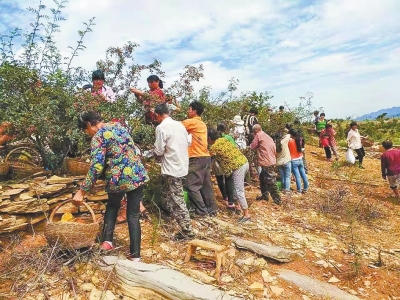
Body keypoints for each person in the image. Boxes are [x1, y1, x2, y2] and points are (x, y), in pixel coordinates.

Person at [72, 111, 149, 261]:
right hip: (137, 174)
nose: (87, 133)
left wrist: (82, 191)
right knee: (133, 215)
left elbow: (96, 167)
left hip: (118, 179)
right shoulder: (118, 126)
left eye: (85, 130)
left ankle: (107, 242)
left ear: (89, 124)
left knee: (112, 207)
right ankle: (136, 257)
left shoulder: (98, 136)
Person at [153, 104, 195, 240]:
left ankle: (187, 230)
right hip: (181, 164)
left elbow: (159, 149)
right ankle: (171, 218)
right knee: (167, 194)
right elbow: (188, 142)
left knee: (177, 199)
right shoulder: (180, 125)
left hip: (172, 168)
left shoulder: (161, 128)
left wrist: (155, 155)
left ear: (158, 115)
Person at [181, 101, 217, 217]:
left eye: (189, 109)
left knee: (191, 185)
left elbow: (175, 127)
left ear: (194, 111)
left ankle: (201, 212)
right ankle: (212, 210)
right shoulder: (201, 124)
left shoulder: (193, 122)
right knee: (206, 186)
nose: (187, 111)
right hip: (205, 157)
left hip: (197, 157)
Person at [208, 128, 251, 223]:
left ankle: (246, 215)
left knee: (239, 191)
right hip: (244, 162)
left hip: (237, 167)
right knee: (236, 188)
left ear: (210, 138)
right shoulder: (224, 139)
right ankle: (238, 207)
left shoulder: (214, 147)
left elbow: (207, 156)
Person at [250, 124, 281, 205]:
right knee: (262, 179)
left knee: (270, 181)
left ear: (256, 130)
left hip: (266, 162)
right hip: (271, 160)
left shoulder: (258, 135)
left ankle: (277, 200)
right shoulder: (267, 136)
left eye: (253, 132)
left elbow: (252, 146)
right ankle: (265, 196)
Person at [214, 121, 236, 206]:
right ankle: (231, 199)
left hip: (217, 161)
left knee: (219, 178)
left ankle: (224, 196)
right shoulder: (229, 137)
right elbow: (234, 148)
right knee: (229, 179)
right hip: (227, 161)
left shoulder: (215, 137)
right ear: (225, 128)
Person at [288, 128, 309, 193]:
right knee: (303, 174)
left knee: (297, 176)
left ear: (291, 134)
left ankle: (299, 190)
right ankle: (305, 188)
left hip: (294, 160)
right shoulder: (299, 139)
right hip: (300, 159)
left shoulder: (290, 142)